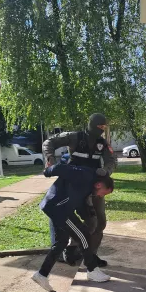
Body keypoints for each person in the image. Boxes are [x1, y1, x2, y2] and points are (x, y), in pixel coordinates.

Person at [43, 113, 117, 267]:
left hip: (94, 189)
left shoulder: (102, 143)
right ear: (91, 125)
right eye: (100, 127)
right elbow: (49, 142)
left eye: (104, 127)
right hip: (72, 187)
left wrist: (106, 171)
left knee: (99, 222)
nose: (102, 130)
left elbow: (112, 160)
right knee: (60, 216)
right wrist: (50, 158)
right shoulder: (75, 137)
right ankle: (66, 250)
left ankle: (90, 254)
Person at [31, 163, 114, 292]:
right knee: (83, 235)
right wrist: (47, 171)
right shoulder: (84, 175)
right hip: (58, 207)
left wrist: (88, 214)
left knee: (61, 242)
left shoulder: (89, 186)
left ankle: (41, 274)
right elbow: (61, 168)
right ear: (99, 185)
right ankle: (92, 270)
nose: (101, 196)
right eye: (104, 193)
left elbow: (79, 201)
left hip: (57, 207)